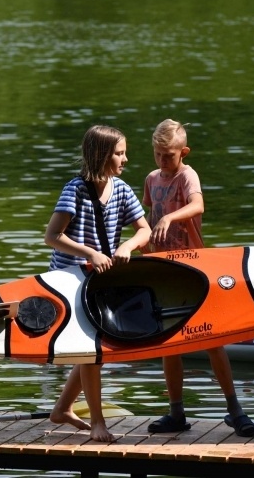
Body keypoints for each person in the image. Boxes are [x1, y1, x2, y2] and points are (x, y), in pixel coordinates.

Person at [141, 118, 254, 437]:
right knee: (169, 345)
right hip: (163, 270)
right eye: (158, 154)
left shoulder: (187, 175)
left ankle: (235, 410)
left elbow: (198, 204)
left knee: (212, 340)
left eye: (169, 155)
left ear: (184, 152)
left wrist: (170, 216)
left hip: (194, 268)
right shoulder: (151, 179)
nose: (163, 161)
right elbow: (146, 220)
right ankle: (176, 414)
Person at [45, 125, 152, 442]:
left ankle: (62, 409)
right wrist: (91, 252)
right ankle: (97, 424)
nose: (125, 159)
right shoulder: (74, 189)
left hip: (100, 280)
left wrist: (128, 246)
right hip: (70, 279)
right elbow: (53, 237)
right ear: (103, 156)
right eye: (119, 153)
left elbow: (144, 229)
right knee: (92, 351)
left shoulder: (121, 190)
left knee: (93, 351)